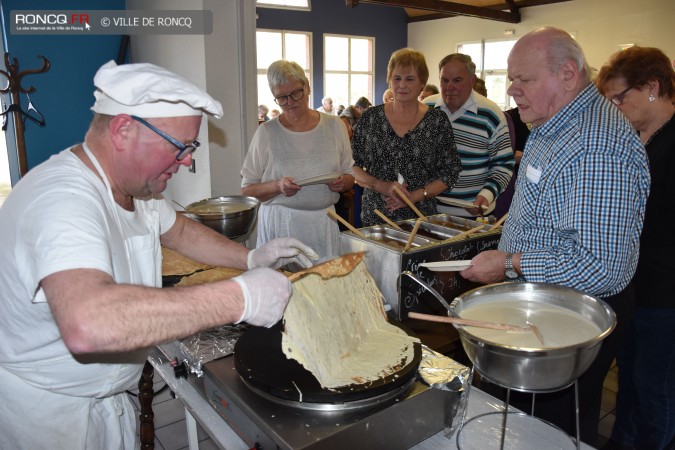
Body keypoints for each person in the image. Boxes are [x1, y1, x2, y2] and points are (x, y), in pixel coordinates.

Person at [0, 60, 319, 449]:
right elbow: (88, 324)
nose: (186, 161)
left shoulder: (135, 189)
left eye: (192, 147)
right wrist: (240, 297)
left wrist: (249, 259)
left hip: (102, 404)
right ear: (123, 130)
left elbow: (180, 230)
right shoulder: (62, 199)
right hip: (47, 419)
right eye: (179, 147)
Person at [460, 27, 650, 447]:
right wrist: (511, 226)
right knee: (520, 422)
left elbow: (598, 265)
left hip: (575, 314)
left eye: (522, 79)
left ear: (567, 74)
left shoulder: (594, 144)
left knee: (549, 431)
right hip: (543, 299)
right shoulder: (552, 124)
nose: (511, 90)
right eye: (511, 79)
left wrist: (508, 263)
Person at [596, 46, 675, 450]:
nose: (614, 106)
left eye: (619, 97)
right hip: (632, 288)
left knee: (655, 390)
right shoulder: (636, 140)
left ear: (651, 87)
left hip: (664, 295)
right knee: (628, 381)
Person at [241, 60, 355, 264]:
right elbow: (248, 189)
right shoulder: (267, 132)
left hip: (323, 222)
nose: (290, 102)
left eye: (296, 93)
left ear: (307, 87)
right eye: (282, 98)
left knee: (323, 289)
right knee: (281, 290)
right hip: (281, 224)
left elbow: (349, 175)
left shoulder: (335, 126)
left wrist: (342, 182)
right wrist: (277, 186)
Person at [352, 48, 461, 227]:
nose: (402, 85)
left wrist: (414, 196)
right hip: (376, 217)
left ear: (422, 83)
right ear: (389, 80)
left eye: (410, 79)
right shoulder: (370, 118)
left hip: (421, 217)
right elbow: (351, 166)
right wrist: (381, 186)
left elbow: (450, 171)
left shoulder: (437, 121)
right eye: (397, 78)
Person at [432, 53, 514, 218]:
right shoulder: (426, 108)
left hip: (473, 214)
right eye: (444, 80)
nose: (449, 87)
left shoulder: (491, 114)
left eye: (457, 80)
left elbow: (503, 164)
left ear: (472, 80)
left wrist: (487, 195)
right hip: (428, 211)